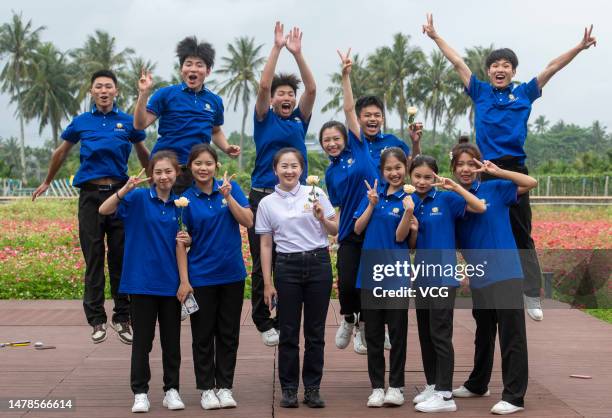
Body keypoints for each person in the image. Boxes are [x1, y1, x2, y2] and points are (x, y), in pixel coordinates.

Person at [422, 13, 597, 321]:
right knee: (476, 225)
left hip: (512, 169)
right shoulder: (480, 91)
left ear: (513, 71)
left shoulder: (524, 93)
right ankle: (480, 281)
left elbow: (552, 67)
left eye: (506, 65)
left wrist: (579, 47)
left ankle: (531, 293)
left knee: (521, 232)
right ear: (488, 71)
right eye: (495, 65)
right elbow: (458, 63)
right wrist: (435, 36)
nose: (500, 69)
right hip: (481, 168)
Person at [32, 69, 148, 345]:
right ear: (91, 92)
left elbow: (144, 153)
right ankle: (96, 319)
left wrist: (155, 178)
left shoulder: (127, 122)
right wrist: (48, 180)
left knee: (120, 257)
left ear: (116, 91)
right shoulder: (82, 122)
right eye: (99, 87)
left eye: (109, 86)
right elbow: (60, 152)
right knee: (93, 257)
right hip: (90, 197)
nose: (104, 91)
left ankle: (122, 317)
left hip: (119, 196)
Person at [450, 139, 537, 415]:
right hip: (480, 277)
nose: (465, 169)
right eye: (460, 164)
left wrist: (498, 171)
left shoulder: (495, 188)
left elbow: (530, 182)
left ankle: (514, 396)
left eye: (471, 164)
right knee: (483, 333)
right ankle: (478, 384)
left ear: (479, 166)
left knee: (512, 335)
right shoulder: (453, 199)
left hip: (506, 272)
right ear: (453, 168)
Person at [99, 151, 189, 413]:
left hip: (172, 283)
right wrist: (124, 190)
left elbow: (186, 241)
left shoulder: (182, 205)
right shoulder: (138, 197)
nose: (163, 176)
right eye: (158, 172)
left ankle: (171, 390)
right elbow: (103, 210)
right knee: (142, 342)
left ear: (176, 173)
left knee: (171, 341)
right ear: (151, 174)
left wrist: (189, 243)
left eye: (168, 171)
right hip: (141, 282)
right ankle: (140, 392)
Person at [248, 22, 317, 347]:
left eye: (290, 93)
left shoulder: (299, 122)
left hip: (295, 197)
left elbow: (312, 90)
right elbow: (263, 85)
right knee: (263, 261)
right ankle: (264, 320)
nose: (286, 97)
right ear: (273, 100)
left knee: (289, 259)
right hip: (263, 196)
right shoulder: (264, 119)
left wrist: (298, 54)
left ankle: (283, 317)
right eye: (281, 94)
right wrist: (276, 48)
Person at [256, 148, 337, 408]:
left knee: (315, 332)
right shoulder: (267, 203)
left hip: (318, 264)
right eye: (284, 166)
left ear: (302, 169)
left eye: (294, 166)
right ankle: (289, 389)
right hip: (287, 267)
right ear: (275, 170)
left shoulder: (317, 194)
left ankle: (312, 388)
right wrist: (267, 283)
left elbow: (335, 229)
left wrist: (322, 217)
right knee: (288, 331)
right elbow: (266, 245)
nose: (289, 171)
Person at [176, 144, 253, 410]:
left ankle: (226, 387)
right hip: (202, 277)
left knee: (229, 334)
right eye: (198, 163)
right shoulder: (184, 200)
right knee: (203, 335)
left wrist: (229, 197)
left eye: (209, 163)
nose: (203, 168)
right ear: (190, 167)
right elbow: (182, 243)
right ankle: (207, 388)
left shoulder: (230, 189)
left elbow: (248, 221)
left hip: (232, 274)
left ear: (216, 166)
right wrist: (185, 280)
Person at [409, 155, 486, 413]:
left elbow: (479, 207)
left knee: (441, 334)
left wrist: (455, 187)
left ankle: (445, 395)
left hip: (443, 276)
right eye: (417, 176)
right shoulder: (413, 204)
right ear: (411, 177)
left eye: (428, 177)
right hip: (421, 277)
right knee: (426, 334)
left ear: (436, 177)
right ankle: (433, 384)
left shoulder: (447, 198)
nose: (422, 181)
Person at [320, 49, 379, 355]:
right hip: (349, 233)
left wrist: (345, 76)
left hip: (374, 227)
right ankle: (347, 317)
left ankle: (365, 325)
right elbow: (338, 209)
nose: (331, 142)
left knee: (368, 285)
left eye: (335, 137)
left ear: (346, 137)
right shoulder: (330, 174)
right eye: (325, 140)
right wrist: (322, 220)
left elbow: (348, 110)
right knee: (346, 284)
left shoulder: (360, 149)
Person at [353, 147, 418, 407]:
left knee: (398, 332)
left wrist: (409, 213)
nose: (394, 173)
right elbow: (358, 228)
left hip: (397, 275)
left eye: (398, 168)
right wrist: (371, 204)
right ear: (382, 171)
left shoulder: (409, 199)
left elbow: (403, 239)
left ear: (406, 169)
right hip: (370, 275)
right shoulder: (373, 195)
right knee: (374, 335)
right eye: (388, 169)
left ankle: (397, 387)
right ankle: (377, 387)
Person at [133, 36, 240, 193]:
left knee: (193, 215)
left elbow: (215, 131)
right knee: (166, 214)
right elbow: (139, 124)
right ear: (181, 69)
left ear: (208, 71)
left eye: (199, 65)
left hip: (197, 170)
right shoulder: (165, 94)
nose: (193, 69)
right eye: (188, 64)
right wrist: (143, 94)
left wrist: (227, 148)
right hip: (167, 169)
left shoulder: (214, 101)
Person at [355, 94, 422, 170]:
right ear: (358, 119)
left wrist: (415, 143)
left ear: (382, 119)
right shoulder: (351, 143)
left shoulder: (393, 141)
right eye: (367, 115)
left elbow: (413, 167)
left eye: (377, 115)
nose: (373, 119)